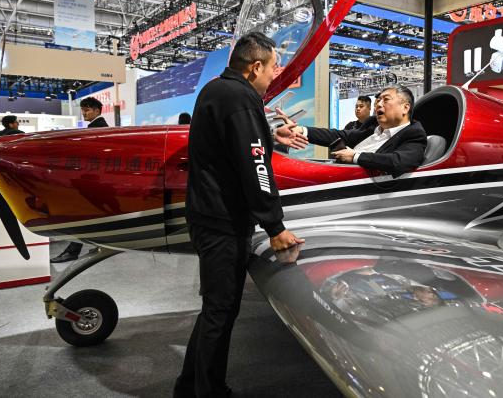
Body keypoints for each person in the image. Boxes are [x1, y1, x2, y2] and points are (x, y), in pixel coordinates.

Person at [174, 32, 305, 398]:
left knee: (215, 309)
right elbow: (255, 166)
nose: (274, 75)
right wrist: (275, 225)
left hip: (206, 216)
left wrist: (269, 134)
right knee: (220, 312)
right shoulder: (241, 98)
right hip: (223, 223)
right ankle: (209, 391)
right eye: (273, 67)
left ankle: (190, 387)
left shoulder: (218, 91)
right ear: (255, 66)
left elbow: (235, 145)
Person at [294, 86, 427, 177]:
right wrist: (300, 130)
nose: (379, 105)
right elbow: (340, 135)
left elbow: (397, 162)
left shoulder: (414, 134)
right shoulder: (371, 124)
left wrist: (355, 156)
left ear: (405, 108)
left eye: (386, 100)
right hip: (337, 173)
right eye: (378, 100)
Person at [50, 97, 108, 264]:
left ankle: (73, 250)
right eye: (83, 110)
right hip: (94, 179)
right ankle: (85, 247)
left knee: (83, 216)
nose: (84, 113)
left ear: (97, 111)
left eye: (87, 110)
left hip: (93, 180)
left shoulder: (99, 128)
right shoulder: (97, 127)